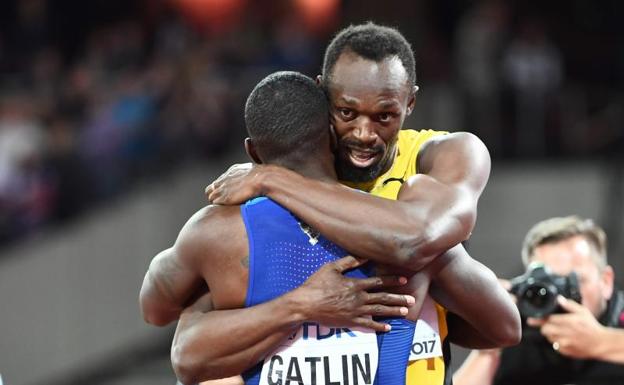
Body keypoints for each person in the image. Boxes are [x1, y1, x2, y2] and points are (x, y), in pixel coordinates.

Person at [202, 22, 519, 385]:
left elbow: (415, 241)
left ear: (410, 102)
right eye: (347, 113)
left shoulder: (448, 154)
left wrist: (272, 178)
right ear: (323, 95)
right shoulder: (290, 171)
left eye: (384, 116)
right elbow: (171, 319)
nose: (364, 134)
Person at [141, 71, 421, 385]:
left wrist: (215, 293)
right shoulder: (393, 220)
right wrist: (306, 304)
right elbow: (486, 327)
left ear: (253, 152)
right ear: (332, 133)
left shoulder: (215, 233)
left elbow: (155, 309)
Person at [453, 216, 624, 385]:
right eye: (548, 285)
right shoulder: (522, 329)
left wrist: (600, 341)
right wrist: (491, 343)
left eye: (573, 282)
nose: (560, 296)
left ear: (606, 281)